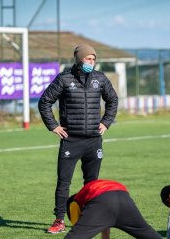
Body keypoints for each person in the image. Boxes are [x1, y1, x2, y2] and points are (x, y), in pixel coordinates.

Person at [38, 44, 118, 233]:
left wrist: (106, 122)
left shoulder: (100, 78)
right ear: (79, 59)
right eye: (88, 59)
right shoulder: (64, 79)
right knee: (63, 182)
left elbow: (113, 100)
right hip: (71, 140)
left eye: (93, 59)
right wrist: (53, 126)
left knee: (92, 183)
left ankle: (88, 219)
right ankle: (59, 220)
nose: (91, 62)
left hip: (93, 140)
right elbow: (45, 102)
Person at [65, 179, 162, 239]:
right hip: (124, 197)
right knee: (145, 231)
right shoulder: (92, 188)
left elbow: (80, 231)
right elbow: (105, 219)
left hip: (101, 199)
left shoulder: (74, 201)